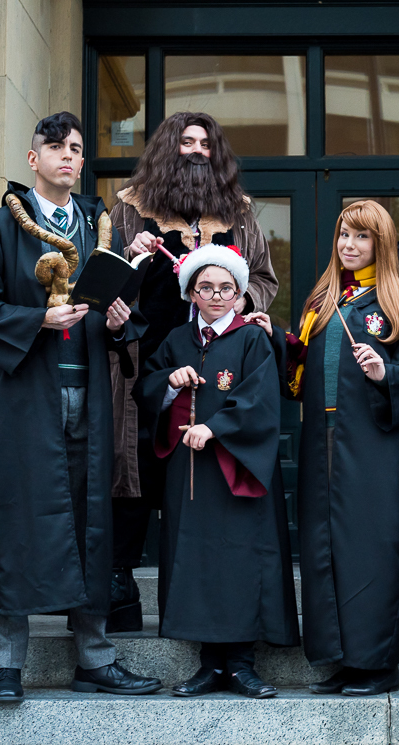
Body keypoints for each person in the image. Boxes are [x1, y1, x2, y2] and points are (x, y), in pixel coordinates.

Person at [0, 111, 162, 703]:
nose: (68, 155)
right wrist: (38, 320)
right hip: (26, 398)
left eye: (75, 147)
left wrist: (120, 321)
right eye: (56, 147)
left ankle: (94, 658)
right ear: (34, 159)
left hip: (91, 398)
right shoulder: (0, 227)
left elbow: (121, 318)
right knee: (18, 520)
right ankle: (6, 665)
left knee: (91, 523)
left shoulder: (98, 231)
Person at [249, 201, 399, 697]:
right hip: (322, 446)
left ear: (381, 243)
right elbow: (299, 377)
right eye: (343, 235)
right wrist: (275, 339)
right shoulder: (323, 303)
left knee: (372, 552)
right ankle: (344, 660)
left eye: (361, 236)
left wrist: (384, 372)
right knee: (327, 551)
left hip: (376, 449)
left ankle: (379, 664)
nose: (349, 245)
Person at [106, 112, 279, 632]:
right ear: (169, 149)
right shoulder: (129, 206)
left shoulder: (239, 211)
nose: (198, 150)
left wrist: (234, 301)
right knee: (133, 468)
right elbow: (105, 278)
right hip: (143, 364)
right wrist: (130, 255)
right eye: (186, 142)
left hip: (216, 366)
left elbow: (263, 278)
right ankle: (119, 587)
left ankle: (211, 596)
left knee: (201, 475)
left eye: (205, 143)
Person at [135, 243, 299, 699]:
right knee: (198, 561)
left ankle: (242, 665)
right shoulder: (176, 340)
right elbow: (146, 386)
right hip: (190, 474)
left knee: (241, 561)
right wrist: (170, 383)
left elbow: (260, 399)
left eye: (227, 288)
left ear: (240, 294)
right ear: (191, 293)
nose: (216, 296)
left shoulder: (252, 339)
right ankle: (209, 665)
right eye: (205, 288)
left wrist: (215, 427)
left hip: (237, 468)